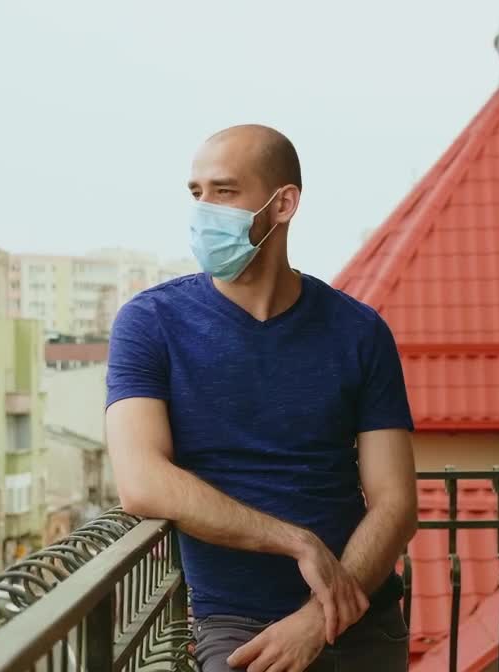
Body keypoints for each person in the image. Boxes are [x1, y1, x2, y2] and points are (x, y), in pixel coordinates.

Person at [105, 124, 418, 671]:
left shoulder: (359, 331)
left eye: (224, 192)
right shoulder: (150, 323)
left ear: (283, 204)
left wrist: (317, 620)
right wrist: (296, 541)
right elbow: (141, 482)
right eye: (197, 193)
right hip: (236, 625)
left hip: (359, 612)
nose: (204, 210)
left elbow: (396, 502)